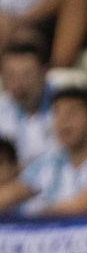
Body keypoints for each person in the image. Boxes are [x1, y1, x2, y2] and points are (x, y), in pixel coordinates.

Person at [10, 85, 87, 217]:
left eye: (72, 113)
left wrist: (38, 213)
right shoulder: (51, 158)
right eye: (57, 113)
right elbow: (14, 192)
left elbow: (84, 205)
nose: (63, 121)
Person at [0, 37, 55, 168]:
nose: (18, 83)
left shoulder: (64, 107)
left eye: (27, 74)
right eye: (11, 75)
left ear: (44, 72)